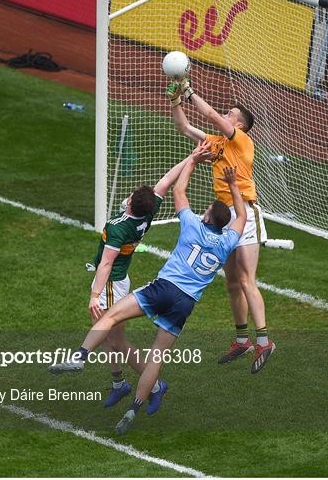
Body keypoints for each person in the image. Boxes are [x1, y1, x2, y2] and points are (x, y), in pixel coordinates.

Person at [50, 142, 246, 435]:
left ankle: (80, 357)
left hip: (163, 288)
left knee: (111, 317)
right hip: (186, 302)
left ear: (206, 218)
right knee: (157, 355)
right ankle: (135, 408)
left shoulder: (192, 224)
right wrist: (235, 188)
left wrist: (193, 161)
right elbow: (241, 217)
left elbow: (179, 190)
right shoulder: (229, 240)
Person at [69, 152, 205, 411]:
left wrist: (94, 295)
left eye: (130, 196)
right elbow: (166, 180)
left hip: (111, 282)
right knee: (112, 339)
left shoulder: (119, 226)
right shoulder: (148, 212)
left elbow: (107, 264)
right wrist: (192, 159)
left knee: (116, 340)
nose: (128, 197)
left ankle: (152, 385)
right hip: (121, 280)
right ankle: (120, 384)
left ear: (131, 204)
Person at [166, 78, 276, 373]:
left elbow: (211, 116)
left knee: (246, 280)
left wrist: (189, 91)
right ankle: (242, 340)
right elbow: (185, 128)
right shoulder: (216, 144)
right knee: (231, 283)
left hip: (246, 213)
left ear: (239, 126)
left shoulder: (242, 141)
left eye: (230, 114)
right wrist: (177, 100)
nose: (224, 116)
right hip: (226, 216)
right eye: (226, 112)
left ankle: (264, 340)